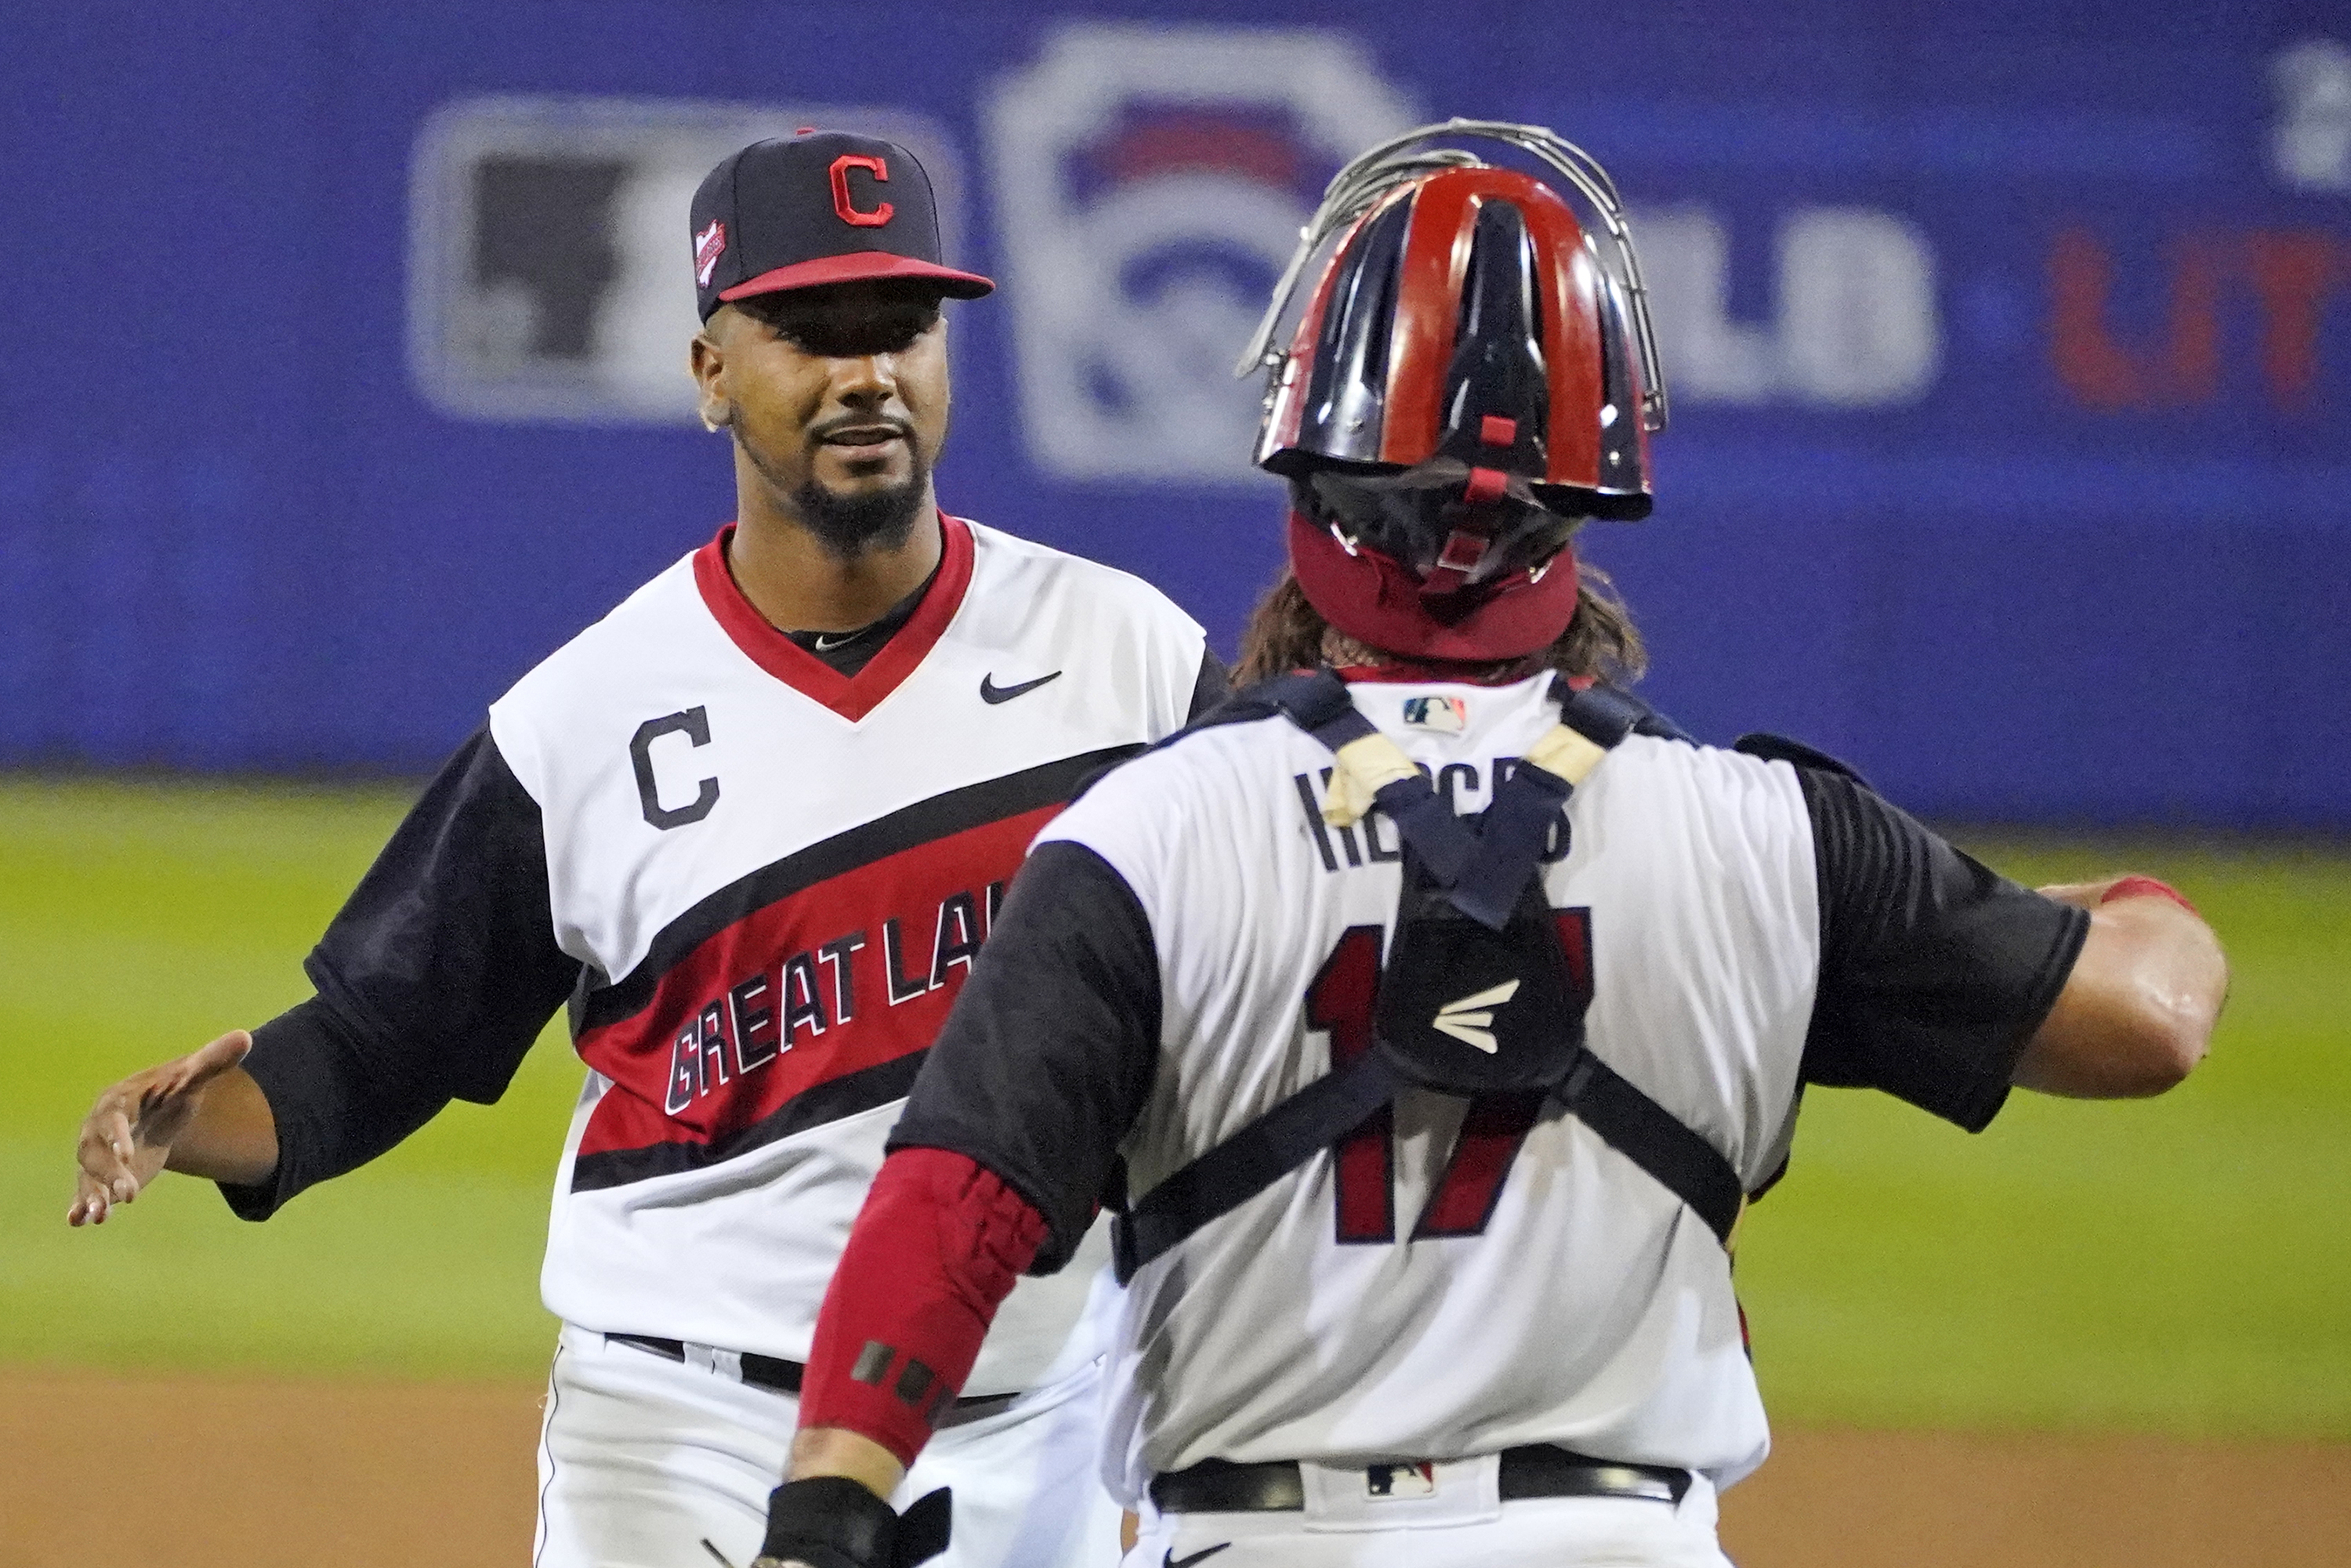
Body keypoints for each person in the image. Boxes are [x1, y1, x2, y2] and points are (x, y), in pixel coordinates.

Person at [741, 123, 2230, 1568]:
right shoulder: (1774, 841)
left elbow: (959, 1201)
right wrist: (2101, 901)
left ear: (1307, 456)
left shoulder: (1150, 832)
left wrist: (828, 1511)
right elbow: (2151, 1018)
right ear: (1592, 480)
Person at [67, 129, 1226, 1568]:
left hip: (1039, 1420)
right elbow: (384, 1039)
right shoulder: (586, 717)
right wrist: (194, 1124)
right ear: (710, 372)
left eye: (903, 327)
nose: (866, 372)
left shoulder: (1133, 660)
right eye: (808, 331)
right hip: (679, 1429)